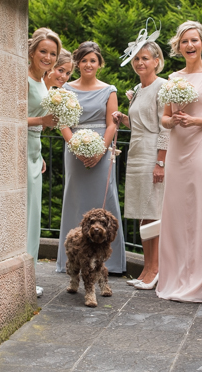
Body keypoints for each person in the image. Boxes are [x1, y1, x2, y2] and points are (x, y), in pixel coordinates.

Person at [157, 21, 202, 304]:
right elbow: (163, 118)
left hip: (200, 148)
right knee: (176, 214)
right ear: (178, 46)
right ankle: (175, 278)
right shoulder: (173, 78)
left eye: (194, 40)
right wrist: (172, 120)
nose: (190, 45)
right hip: (177, 149)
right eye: (185, 41)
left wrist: (193, 120)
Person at [56, 41, 127, 274]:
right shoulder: (65, 89)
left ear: (99, 64)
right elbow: (63, 122)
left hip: (102, 151)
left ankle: (111, 263)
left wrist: (100, 152)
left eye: (93, 60)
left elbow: (111, 125)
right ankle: (72, 261)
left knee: (106, 199)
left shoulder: (110, 90)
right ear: (78, 63)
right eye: (84, 60)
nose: (88, 64)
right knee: (74, 199)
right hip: (74, 149)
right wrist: (75, 146)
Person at [112, 37, 169, 290]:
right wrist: (123, 117)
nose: (139, 62)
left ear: (157, 61)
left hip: (151, 154)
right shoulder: (138, 89)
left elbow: (164, 129)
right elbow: (139, 125)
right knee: (142, 214)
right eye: (136, 58)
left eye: (145, 58)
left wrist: (161, 162)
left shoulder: (163, 87)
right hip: (136, 152)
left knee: (152, 213)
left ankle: (155, 269)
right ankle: (146, 267)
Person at [27, 27, 62, 297]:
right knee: (26, 214)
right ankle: (24, 279)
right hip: (20, 148)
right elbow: (5, 116)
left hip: (33, 151)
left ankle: (28, 275)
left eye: (53, 53)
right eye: (43, 51)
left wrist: (39, 156)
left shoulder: (42, 81)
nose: (48, 57)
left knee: (34, 216)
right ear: (32, 50)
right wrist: (42, 121)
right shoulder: (24, 78)